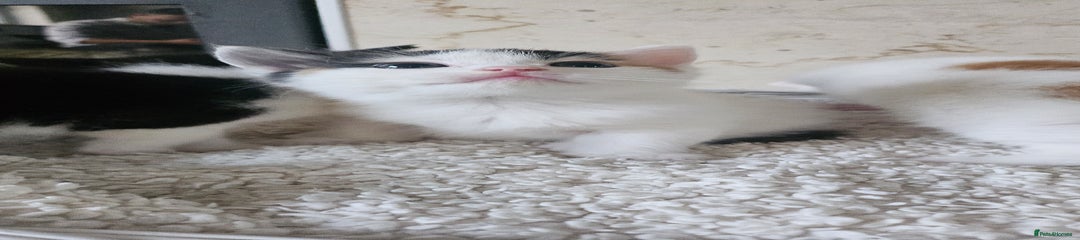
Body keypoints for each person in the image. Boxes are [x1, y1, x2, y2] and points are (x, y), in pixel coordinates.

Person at [44, 8, 201, 48]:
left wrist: (172, 42)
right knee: (157, 19)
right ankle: (191, 17)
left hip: (132, 32)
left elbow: (111, 40)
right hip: (124, 23)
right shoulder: (59, 27)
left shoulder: (62, 38)